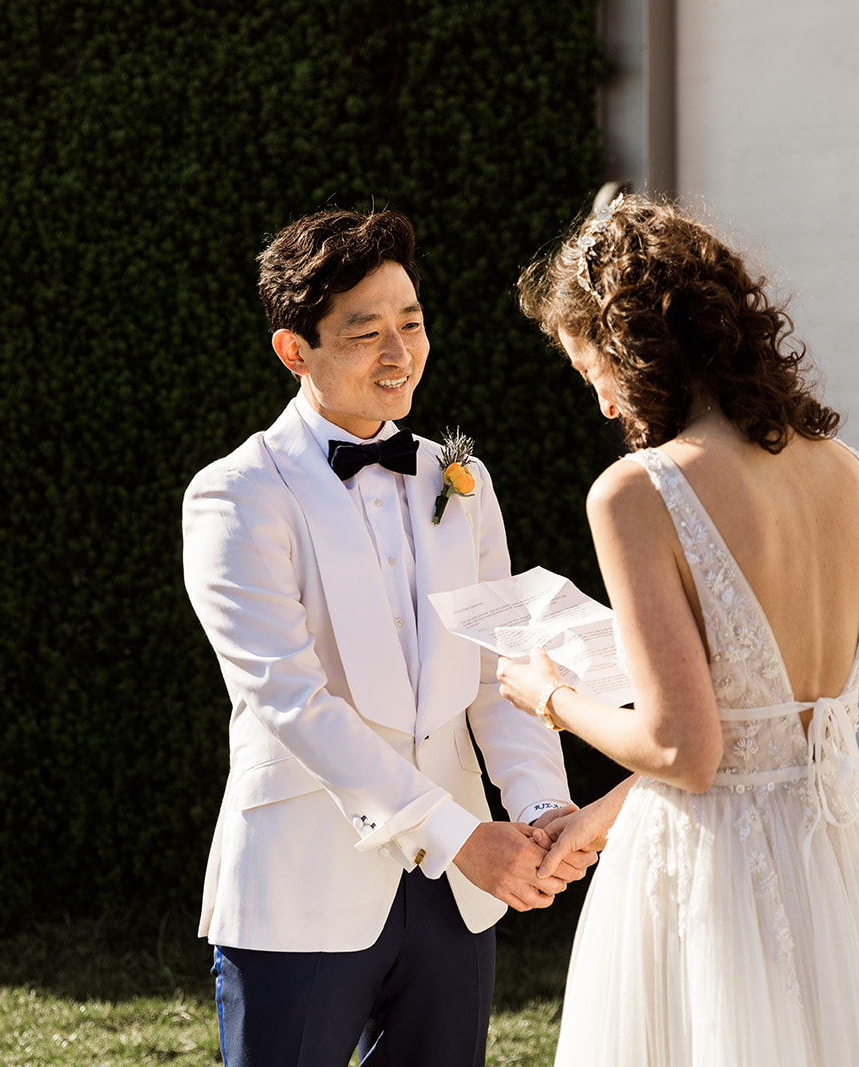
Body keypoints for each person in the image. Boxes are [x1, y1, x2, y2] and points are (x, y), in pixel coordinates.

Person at [497, 193, 859, 1064]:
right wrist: (598, 816)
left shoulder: (639, 491)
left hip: (719, 873)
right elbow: (762, 727)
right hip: (843, 862)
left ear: (635, 346)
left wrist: (552, 695)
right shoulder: (847, 471)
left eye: (592, 369)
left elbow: (690, 752)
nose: (604, 403)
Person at [181, 206, 591, 1067]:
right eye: (366, 333)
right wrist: (459, 835)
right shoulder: (236, 494)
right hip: (303, 881)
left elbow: (497, 664)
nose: (401, 353)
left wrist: (539, 805)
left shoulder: (461, 477)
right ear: (296, 350)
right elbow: (291, 701)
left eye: (412, 323)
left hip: (454, 898)